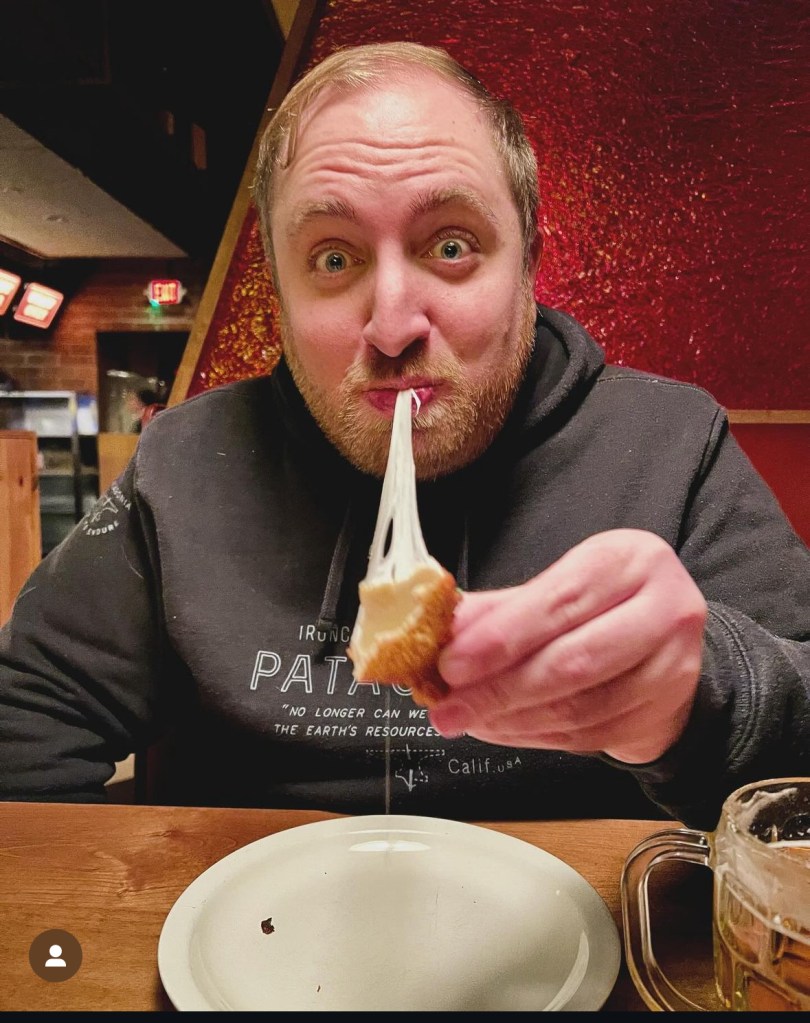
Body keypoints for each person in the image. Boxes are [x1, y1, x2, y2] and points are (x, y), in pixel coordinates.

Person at [1, 42, 808, 828]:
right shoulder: (183, 465)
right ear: (278, 289)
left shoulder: (671, 445)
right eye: (333, 259)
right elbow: (24, 715)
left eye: (451, 246)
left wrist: (705, 696)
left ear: (528, 261)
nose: (392, 327)